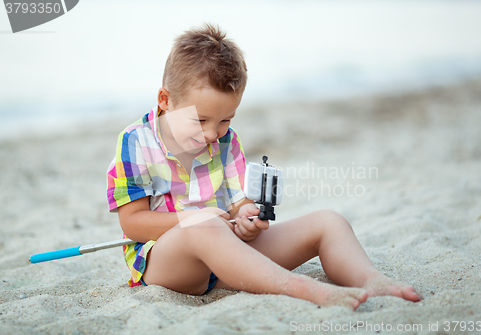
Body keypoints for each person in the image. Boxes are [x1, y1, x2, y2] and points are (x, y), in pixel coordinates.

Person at [106, 23, 422, 310]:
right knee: (204, 226)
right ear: (165, 100)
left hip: (230, 258)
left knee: (328, 221)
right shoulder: (136, 142)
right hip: (168, 264)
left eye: (225, 119)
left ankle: (370, 279)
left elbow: (238, 201)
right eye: (200, 120)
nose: (211, 133)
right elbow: (134, 223)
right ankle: (303, 289)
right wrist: (195, 217)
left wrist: (246, 216)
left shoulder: (226, 140)